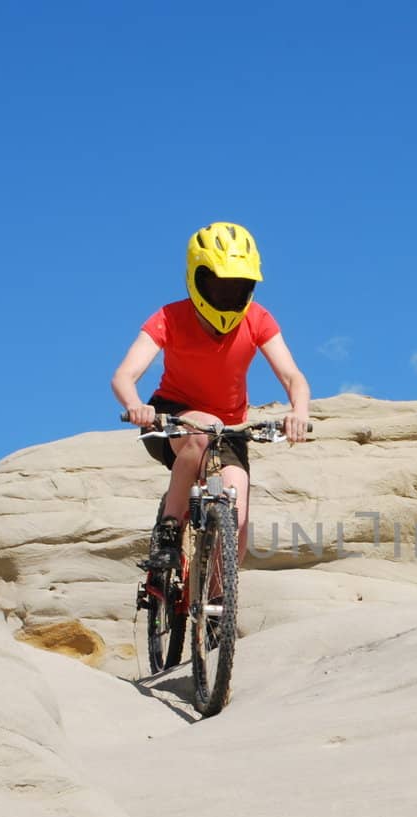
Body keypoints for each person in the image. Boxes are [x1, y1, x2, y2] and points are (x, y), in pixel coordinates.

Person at [111, 222, 310, 570]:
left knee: (239, 511)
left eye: (237, 287)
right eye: (219, 287)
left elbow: (293, 376)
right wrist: (135, 406)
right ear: (197, 278)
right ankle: (170, 529)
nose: (228, 297)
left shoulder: (258, 320)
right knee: (201, 431)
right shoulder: (169, 318)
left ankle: (216, 611)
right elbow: (124, 375)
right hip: (170, 417)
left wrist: (300, 410)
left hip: (230, 429)